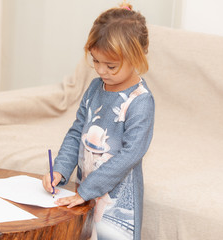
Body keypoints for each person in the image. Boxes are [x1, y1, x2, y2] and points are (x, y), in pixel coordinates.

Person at [42, 1, 154, 239]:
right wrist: (60, 170)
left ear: (136, 57)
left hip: (116, 206)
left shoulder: (140, 101)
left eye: (111, 65)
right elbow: (76, 132)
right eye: (96, 61)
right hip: (86, 193)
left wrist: (88, 190)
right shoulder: (95, 88)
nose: (101, 71)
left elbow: (130, 155)